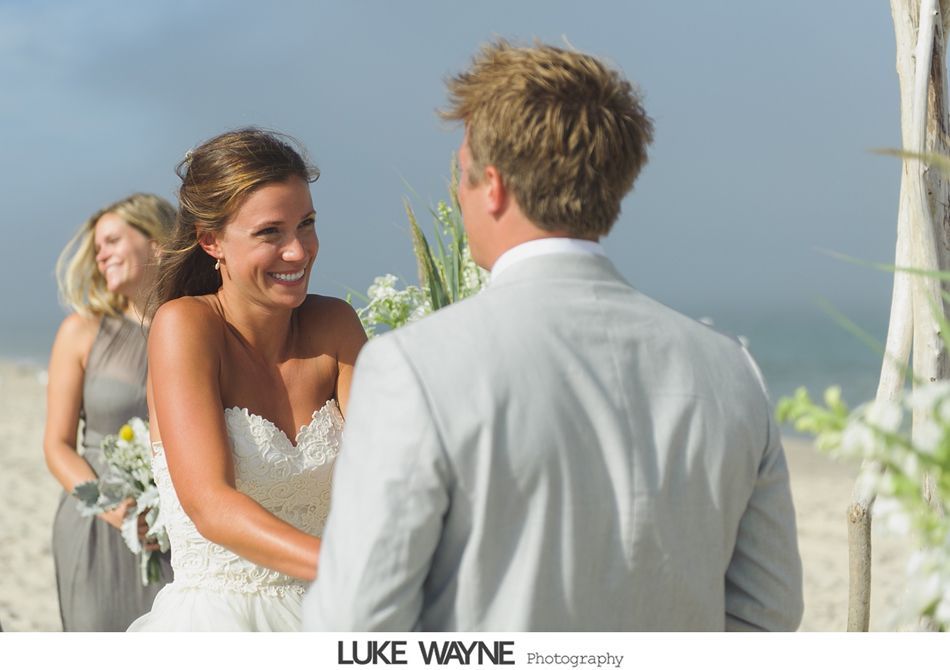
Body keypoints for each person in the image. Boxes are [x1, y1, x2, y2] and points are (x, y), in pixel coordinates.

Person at [303, 40, 803, 632]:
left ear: (493, 186)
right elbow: (769, 612)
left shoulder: (412, 366)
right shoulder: (731, 371)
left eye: (460, 176)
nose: (458, 195)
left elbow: (356, 625)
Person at [127, 128, 366, 631]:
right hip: (218, 621)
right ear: (211, 240)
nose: (298, 252)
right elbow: (210, 505)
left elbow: (390, 466)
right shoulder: (184, 326)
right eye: (270, 232)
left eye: (307, 224)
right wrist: (353, 569)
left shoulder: (336, 324)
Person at [44, 193, 176, 631]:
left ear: (157, 242)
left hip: (177, 528)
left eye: (113, 240)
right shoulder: (80, 332)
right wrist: (115, 508)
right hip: (96, 525)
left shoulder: (196, 327)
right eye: (98, 246)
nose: (101, 254)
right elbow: (57, 446)